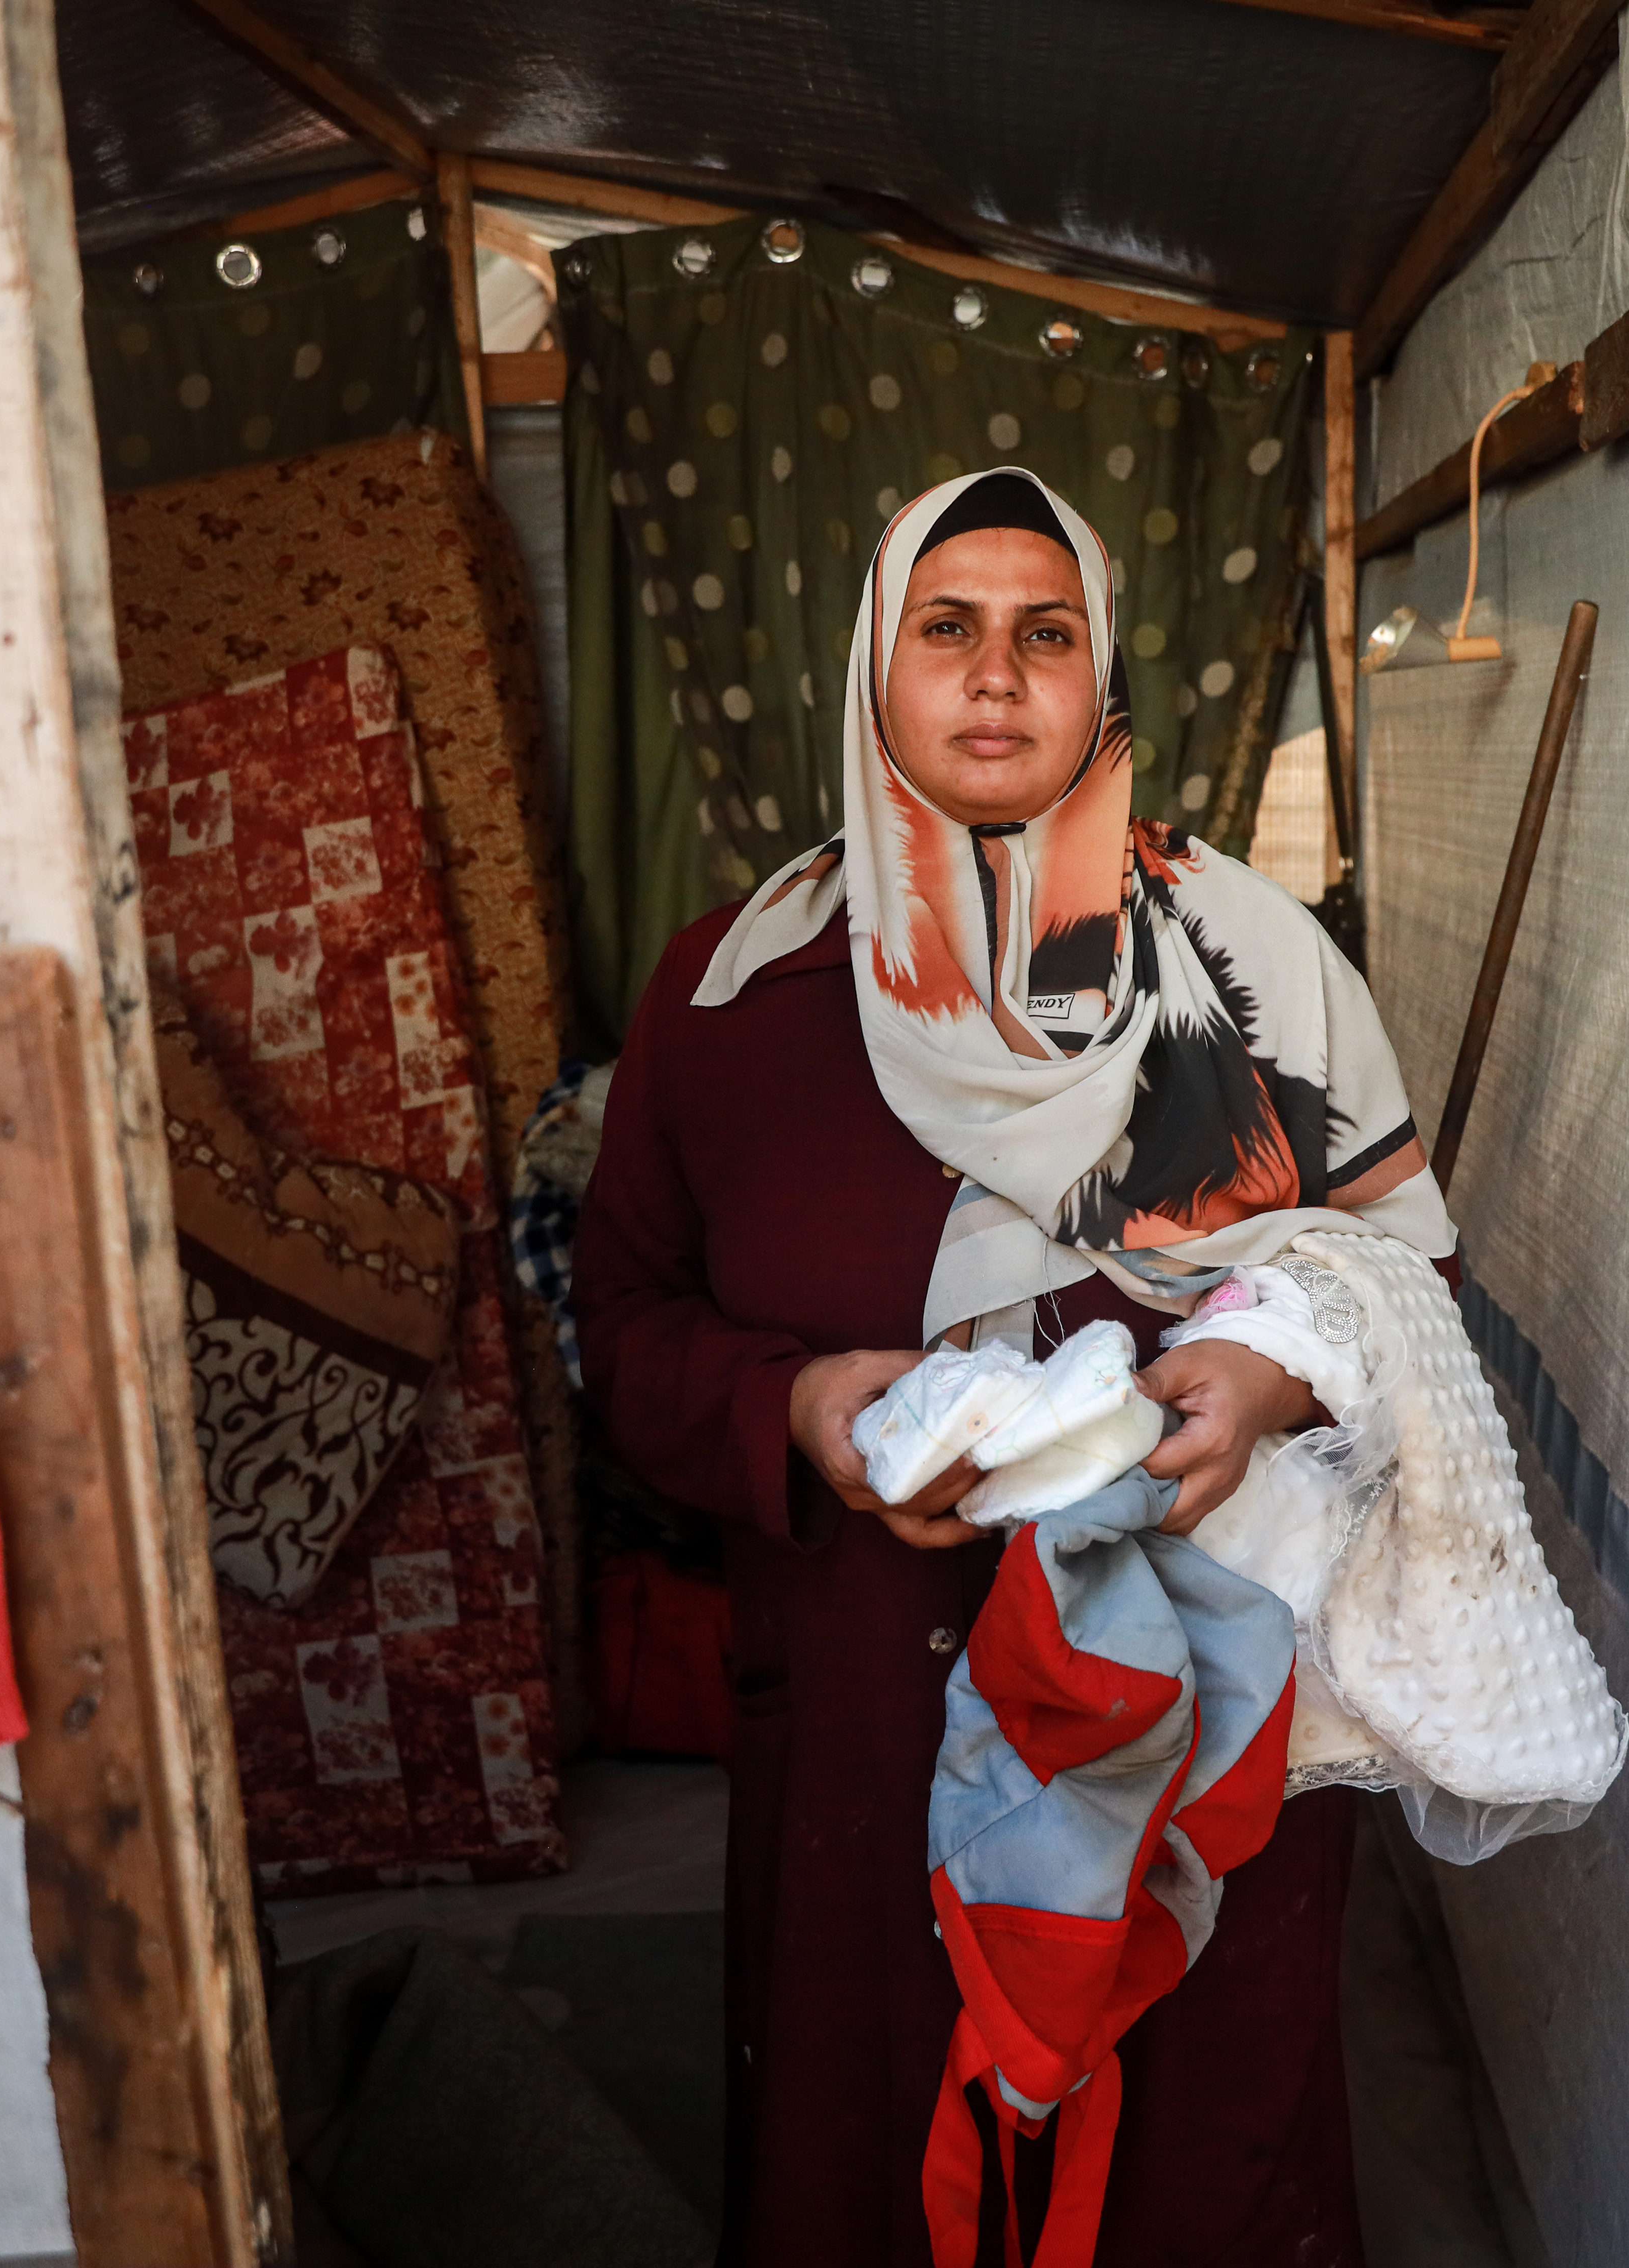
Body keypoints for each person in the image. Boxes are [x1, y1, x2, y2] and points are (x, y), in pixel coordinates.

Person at [574, 466, 1457, 2266]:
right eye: (948, 630)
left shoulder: (1253, 964)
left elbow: (1403, 1283)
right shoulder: (735, 998)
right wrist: (797, 1410)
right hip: (864, 1707)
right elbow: (630, 1326)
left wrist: (1267, 1387)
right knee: (878, 2142)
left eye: (1046, 634)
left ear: (1103, 671)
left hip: (1202, 1702)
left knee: (1189, 2154)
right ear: (873, 670)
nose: (996, 677)